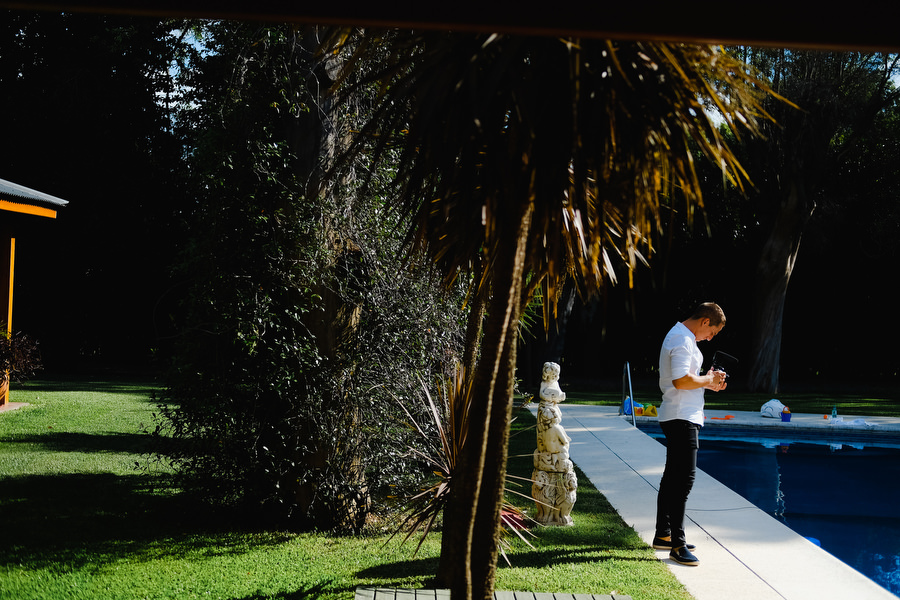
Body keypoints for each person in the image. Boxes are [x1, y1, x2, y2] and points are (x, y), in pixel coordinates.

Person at [653, 302, 728, 567]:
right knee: (683, 481)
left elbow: (686, 380)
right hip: (681, 417)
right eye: (712, 332)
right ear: (705, 321)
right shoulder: (682, 339)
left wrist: (709, 383)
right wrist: (708, 380)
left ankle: (664, 534)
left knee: (672, 478)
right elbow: (681, 381)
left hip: (680, 414)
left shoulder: (683, 337)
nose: (710, 338)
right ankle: (678, 544)